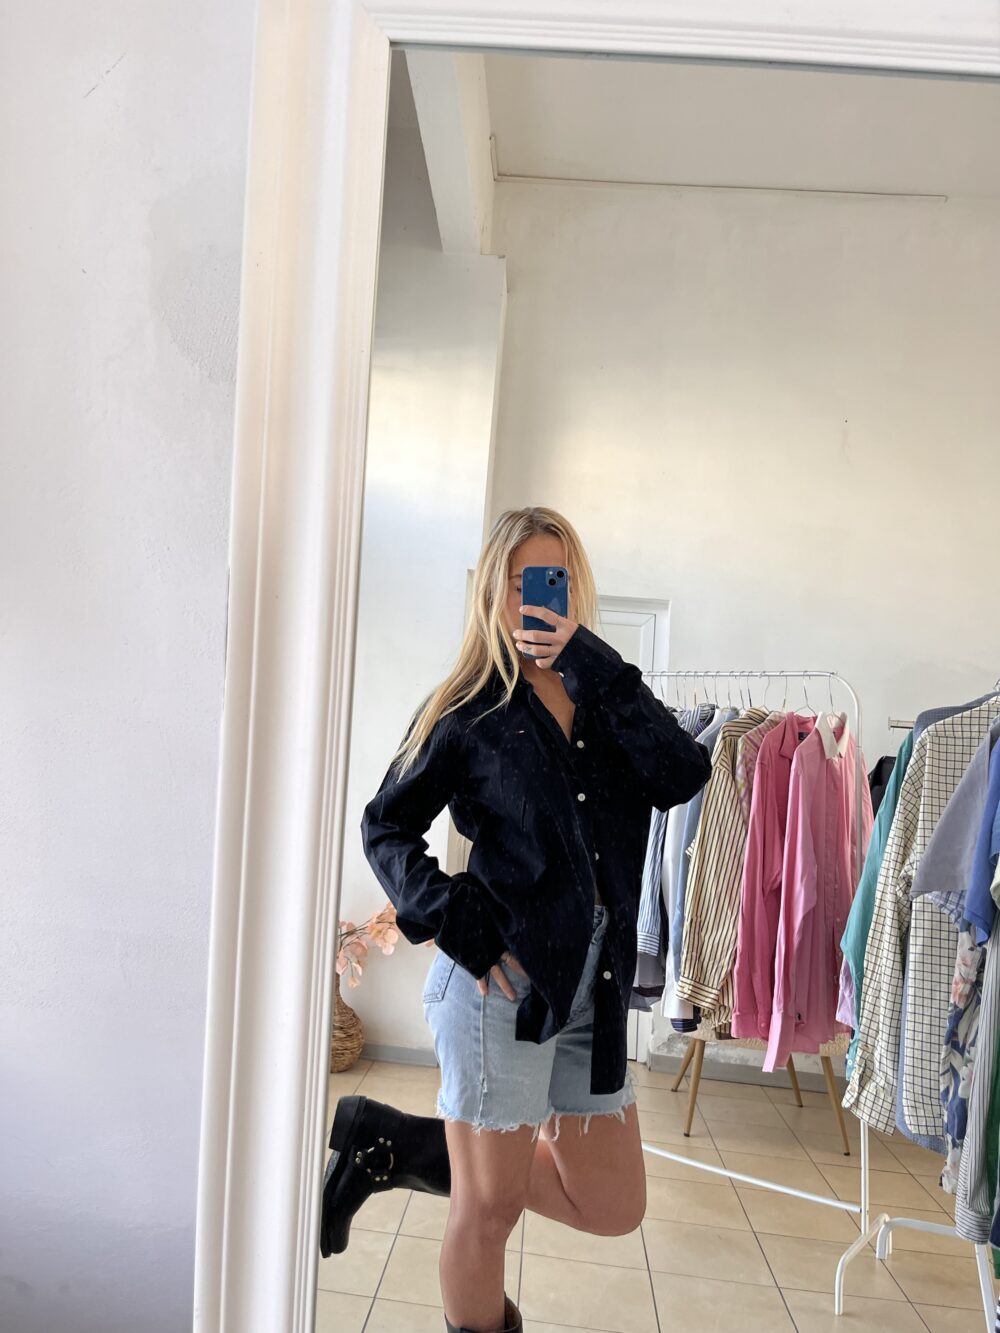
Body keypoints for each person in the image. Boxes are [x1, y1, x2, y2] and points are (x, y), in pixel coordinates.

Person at [320, 506, 712, 1333]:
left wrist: (589, 660)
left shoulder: (607, 700)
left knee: (614, 1203)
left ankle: (398, 1142)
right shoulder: (468, 710)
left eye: (553, 580)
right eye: (519, 581)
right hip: (500, 986)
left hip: (593, 993)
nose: (535, 599)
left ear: (576, 589)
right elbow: (385, 826)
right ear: (493, 594)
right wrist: (454, 916)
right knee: (488, 1211)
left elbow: (683, 771)